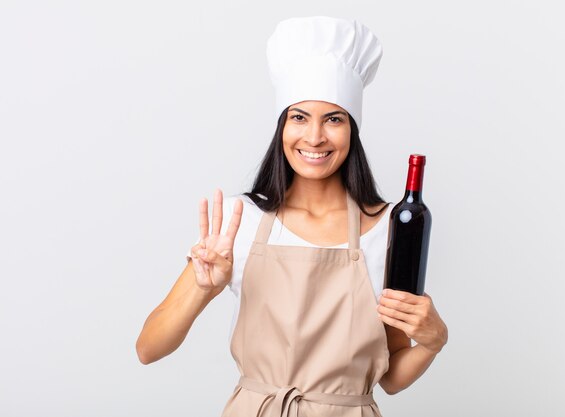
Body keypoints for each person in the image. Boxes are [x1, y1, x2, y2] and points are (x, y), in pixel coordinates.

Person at [136, 16, 448, 416]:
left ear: (352, 129)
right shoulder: (240, 221)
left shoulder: (386, 230)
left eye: (333, 119)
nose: (314, 137)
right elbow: (148, 349)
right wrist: (204, 288)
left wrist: (433, 341)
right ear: (282, 126)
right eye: (298, 117)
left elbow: (391, 376)